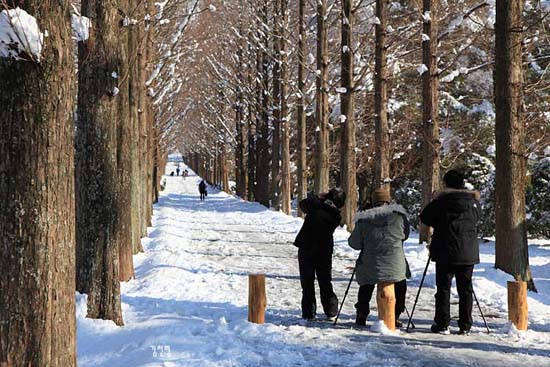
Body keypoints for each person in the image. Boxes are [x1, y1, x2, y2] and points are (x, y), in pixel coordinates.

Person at [420, 169, 481, 335]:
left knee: (443, 288)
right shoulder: (473, 202)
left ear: (446, 183)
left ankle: (442, 323)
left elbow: (425, 217)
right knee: (466, 289)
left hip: (444, 250)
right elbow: (477, 218)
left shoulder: (441, 202)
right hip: (467, 251)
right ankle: (465, 325)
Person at [348, 188, 410, 328]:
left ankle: (362, 314)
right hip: (395, 263)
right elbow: (405, 236)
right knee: (400, 283)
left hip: (370, 263)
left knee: (366, 284)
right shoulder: (400, 217)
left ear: (372, 202)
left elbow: (354, 244)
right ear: (388, 200)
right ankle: (396, 314)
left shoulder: (364, 219)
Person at [294, 188, 346, 321]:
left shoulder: (317, 206)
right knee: (325, 280)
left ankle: (309, 312)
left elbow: (303, 204)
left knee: (307, 282)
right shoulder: (336, 214)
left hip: (307, 247)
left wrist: (317, 196)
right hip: (324, 249)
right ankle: (330, 310)